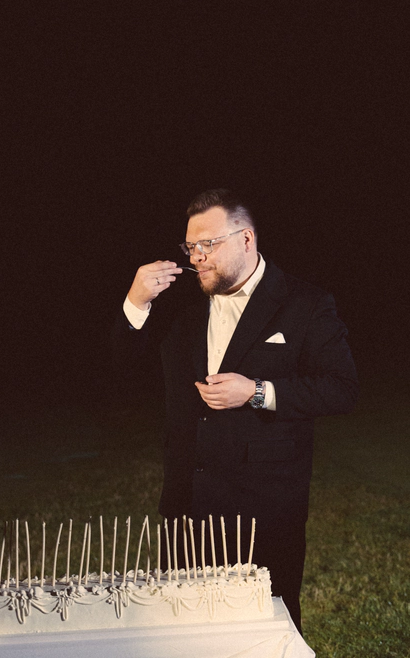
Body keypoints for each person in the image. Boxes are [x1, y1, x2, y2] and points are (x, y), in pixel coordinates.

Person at [113, 188, 358, 632]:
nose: (197, 257)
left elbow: (341, 389)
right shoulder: (179, 304)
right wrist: (137, 302)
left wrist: (257, 392)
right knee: (184, 628)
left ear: (246, 239)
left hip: (265, 509)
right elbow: (121, 371)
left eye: (208, 244)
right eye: (191, 246)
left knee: (264, 629)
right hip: (187, 503)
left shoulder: (304, 303)